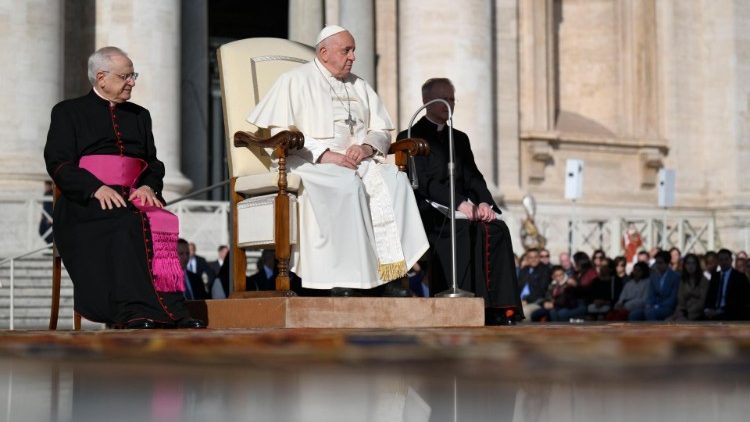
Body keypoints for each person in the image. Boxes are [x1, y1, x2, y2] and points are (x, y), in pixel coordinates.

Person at [246, 26, 429, 296]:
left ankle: (390, 275)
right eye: (347, 50)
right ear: (324, 52)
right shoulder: (294, 81)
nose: (353, 56)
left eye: (353, 50)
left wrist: (365, 147)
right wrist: (326, 154)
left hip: (357, 162)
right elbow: (279, 133)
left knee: (396, 181)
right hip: (308, 161)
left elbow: (380, 130)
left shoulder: (359, 85)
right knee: (346, 185)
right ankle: (344, 278)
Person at [44, 46, 204, 328]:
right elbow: (58, 164)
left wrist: (147, 186)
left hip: (133, 197)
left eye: (133, 75)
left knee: (158, 219)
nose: (132, 82)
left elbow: (153, 163)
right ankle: (132, 311)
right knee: (126, 222)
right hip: (86, 203)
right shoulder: (68, 112)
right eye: (126, 76)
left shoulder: (140, 116)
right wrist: (95, 188)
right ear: (102, 77)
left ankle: (173, 312)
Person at [396, 77, 522, 320]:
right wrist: (459, 203)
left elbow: (473, 176)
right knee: (459, 228)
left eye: (452, 98)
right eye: (443, 98)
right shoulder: (410, 134)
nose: (448, 104)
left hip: (461, 207)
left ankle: (496, 308)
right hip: (426, 209)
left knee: (497, 229)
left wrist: (484, 202)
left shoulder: (460, 138)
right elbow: (423, 182)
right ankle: (456, 309)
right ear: (426, 101)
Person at [630, 250, 680, 321]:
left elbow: (673, 298)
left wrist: (658, 306)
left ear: (667, 263)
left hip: (667, 308)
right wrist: (649, 305)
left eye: (660, 263)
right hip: (653, 306)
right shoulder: (654, 277)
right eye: (656, 263)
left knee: (651, 313)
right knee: (634, 314)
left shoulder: (675, 277)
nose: (657, 265)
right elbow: (650, 295)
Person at [704, 249, 750, 320]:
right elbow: (710, 296)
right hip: (713, 312)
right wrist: (707, 309)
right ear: (718, 262)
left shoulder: (739, 277)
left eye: (726, 259)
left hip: (731, 314)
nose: (724, 262)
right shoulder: (715, 276)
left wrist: (721, 311)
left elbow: (741, 301)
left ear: (731, 260)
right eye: (721, 260)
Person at [668, 253, 709, 321]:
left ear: (697, 265)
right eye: (688, 263)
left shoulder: (704, 280)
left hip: (697, 312)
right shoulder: (683, 280)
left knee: (680, 321)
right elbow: (680, 299)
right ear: (684, 265)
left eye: (693, 263)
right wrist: (680, 311)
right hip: (683, 311)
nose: (691, 266)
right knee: (667, 321)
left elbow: (702, 302)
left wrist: (687, 312)